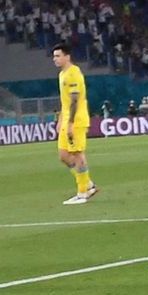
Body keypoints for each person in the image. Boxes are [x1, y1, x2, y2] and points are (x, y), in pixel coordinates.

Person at [52, 43, 99, 206]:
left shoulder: (73, 73)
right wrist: (60, 120)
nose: (55, 59)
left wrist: (70, 122)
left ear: (67, 56)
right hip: (66, 119)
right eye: (54, 56)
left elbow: (74, 100)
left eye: (58, 56)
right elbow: (64, 101)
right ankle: (89, 185)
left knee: (78, 154)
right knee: (63, 155)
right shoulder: (62, 74)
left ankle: (82, 193)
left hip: (76, 120)